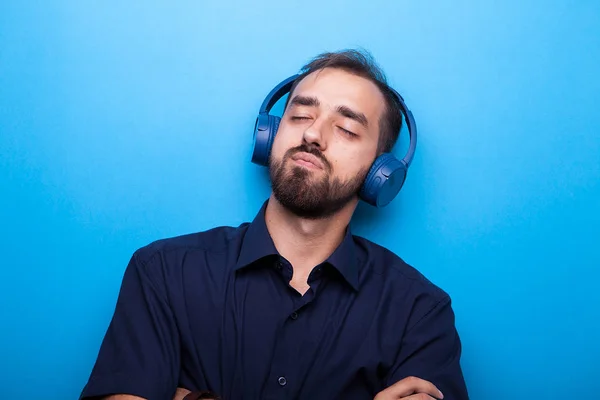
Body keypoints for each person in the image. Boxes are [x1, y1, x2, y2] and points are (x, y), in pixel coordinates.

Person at [79, 48, 469, 400]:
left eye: (347, 129)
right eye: (300, 115)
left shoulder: (419, 313)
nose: (313, 134)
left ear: (381, 172)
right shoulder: (163, 272)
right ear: (269, 135)